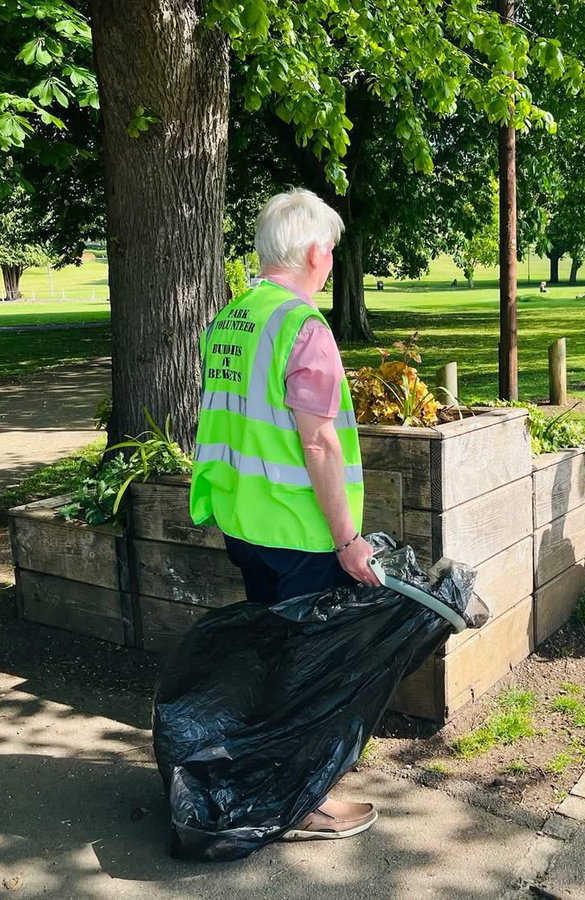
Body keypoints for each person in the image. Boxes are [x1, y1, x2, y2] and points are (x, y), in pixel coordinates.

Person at [189, 188, 382, 842]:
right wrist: (348, 539)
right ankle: (303, 803)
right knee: (305, 670)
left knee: (272, 661)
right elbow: (319, 441)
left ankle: (270, 777)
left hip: (244, 523)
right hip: (299, 534)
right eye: (328, 251)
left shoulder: (234, 317)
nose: (329, 263)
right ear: (313, 252)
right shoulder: (303, 327)